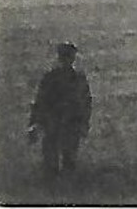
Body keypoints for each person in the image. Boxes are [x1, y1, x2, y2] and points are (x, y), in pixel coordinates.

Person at [28, 42, 91, 182]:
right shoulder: (51, 78)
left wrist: (84, 123)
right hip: (53, 123)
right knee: (51, 162)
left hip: (70, 124)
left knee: (68, 159)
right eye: (65, 57)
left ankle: (65, 191)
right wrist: (34, 123)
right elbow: (40, 101)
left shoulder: (77, 79)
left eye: (69, 57)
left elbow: (85, 103)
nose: (67, 60)